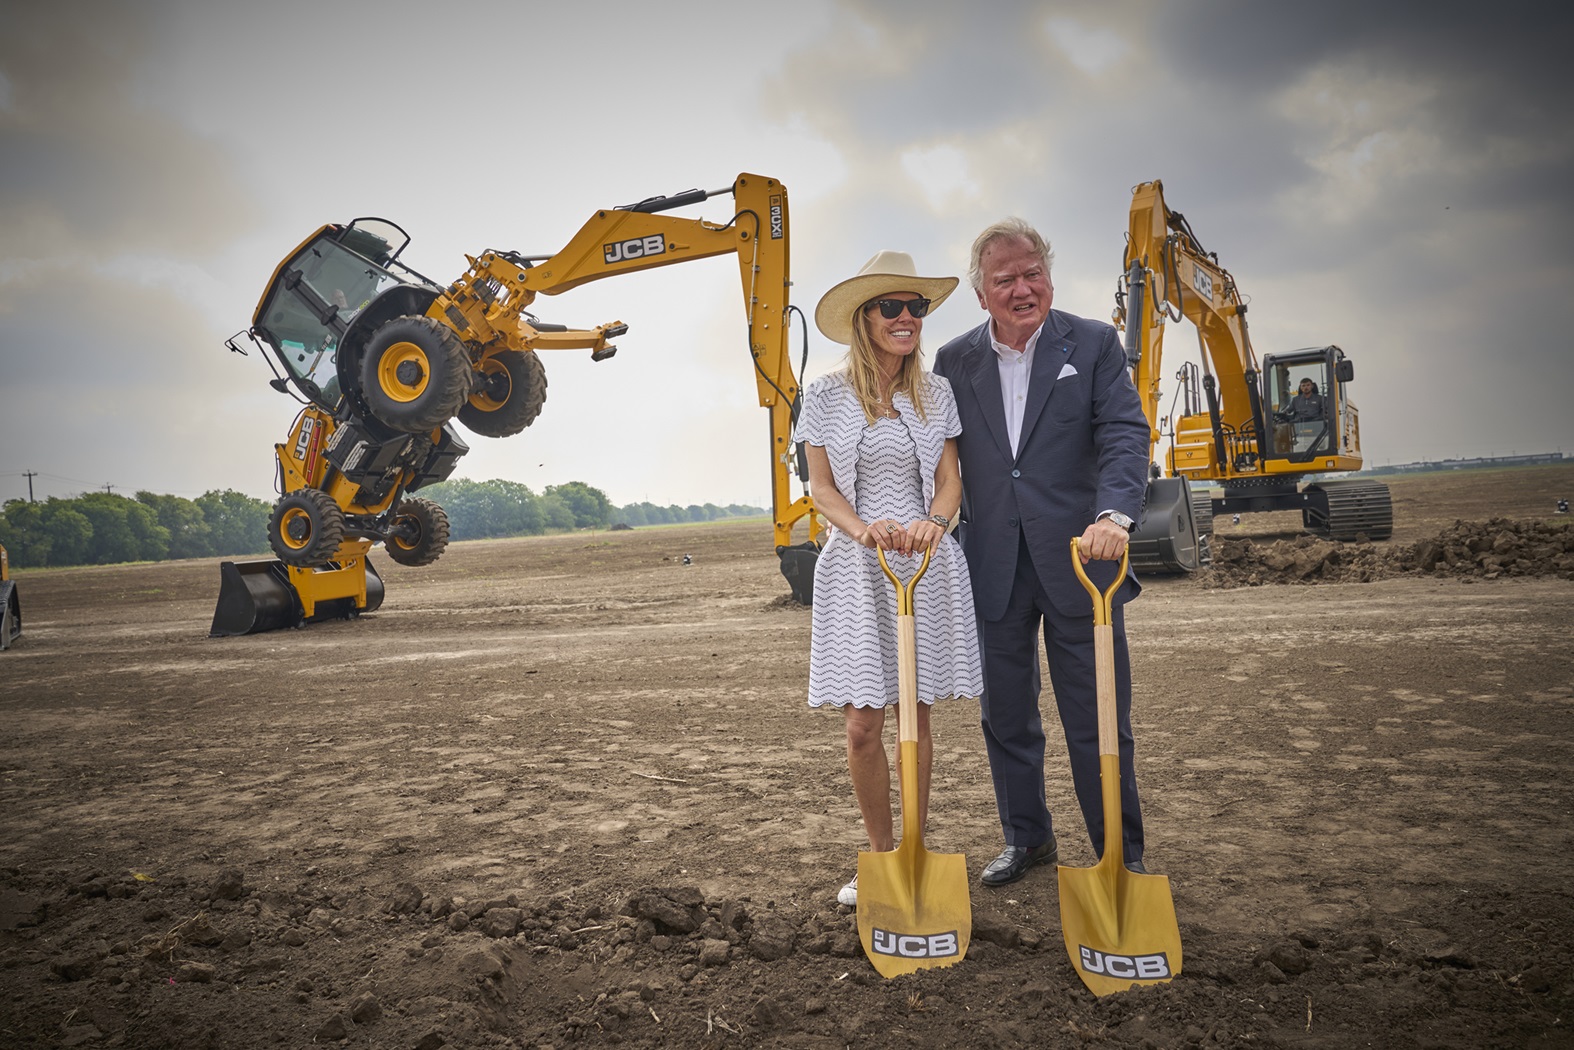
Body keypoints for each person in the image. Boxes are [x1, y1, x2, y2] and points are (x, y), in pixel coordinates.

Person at [933, 218, 1151, 887]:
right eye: (1006, 280)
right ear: (982, 294)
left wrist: (1114, 515)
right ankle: (1027, 841)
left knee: (1098, 719)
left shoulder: (1092, 344)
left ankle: (1121, 853)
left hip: (1084, 566)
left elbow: (1123, 431)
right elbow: (938, 456)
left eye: (1034, 274)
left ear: (1049, 278)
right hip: (991, 568)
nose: (1023, 288)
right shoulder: (953, 362)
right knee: (1006, 717)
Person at [798, 250, 984, 907]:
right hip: (858, 563)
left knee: (916, 720)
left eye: (917, 307)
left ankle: (915, 852)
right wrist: (862, 529)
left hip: (923, 564)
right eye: (892, 307)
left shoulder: (936, 392)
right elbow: (821, 489)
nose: (907, 318)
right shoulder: (824, 395)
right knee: (863, 726)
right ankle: (880, 856)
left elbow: (950, 478)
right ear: (864, 317)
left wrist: (935, 522)